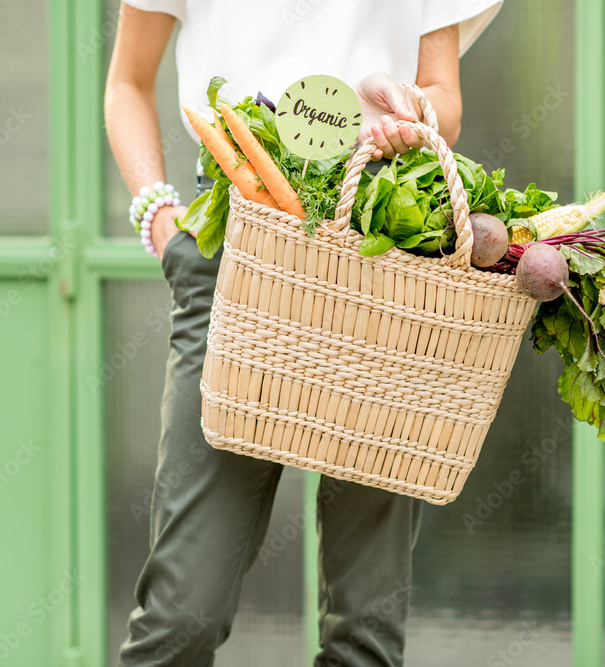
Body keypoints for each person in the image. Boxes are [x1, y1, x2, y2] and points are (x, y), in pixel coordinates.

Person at [104, 2, 502, 664]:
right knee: (181, 617)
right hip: (238, 227)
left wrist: (405, 110)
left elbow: (444, 101)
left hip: (379, 238)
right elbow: (127, 81)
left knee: (365, 633)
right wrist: (162, 223)